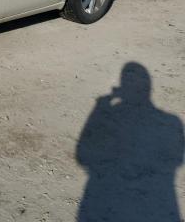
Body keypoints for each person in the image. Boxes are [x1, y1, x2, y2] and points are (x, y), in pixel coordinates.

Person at [76, 62, 183, 221]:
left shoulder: (112, 115)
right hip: (157, 204)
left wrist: (101, 105)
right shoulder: (172, 122)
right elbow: (177, 158)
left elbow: (83, 155)